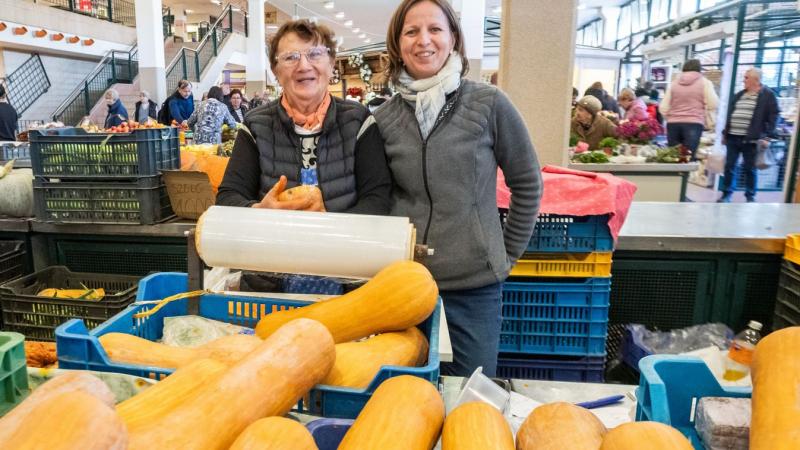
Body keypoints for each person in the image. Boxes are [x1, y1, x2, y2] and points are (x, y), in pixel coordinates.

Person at [370, 0, 542, 377]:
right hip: (404, 287)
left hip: (474, 286)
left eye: (435, 29)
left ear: (453, 38)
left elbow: (527, 184)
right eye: (411, 32)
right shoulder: (383, 118)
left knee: (469, 395)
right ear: (397, 45)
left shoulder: (489, 104)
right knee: (404, 393)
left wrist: (503, 255)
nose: (423, 41)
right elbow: (377, 199)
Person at [216, 19, 391, 215]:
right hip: (277, 242)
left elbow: (378, 198)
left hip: (340, 245)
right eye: (291, 57)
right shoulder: (256, 125)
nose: (304, 66)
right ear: (275, 70)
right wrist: (258, 211)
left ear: (331, 63)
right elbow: (228, 196)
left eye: (315, 54)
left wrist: (331, 226)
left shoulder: (358, 120)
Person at [718, 68, 779, 203]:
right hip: (733, 137)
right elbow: (730, 114)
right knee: (729, 166)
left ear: (756, 80)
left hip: (752, 139)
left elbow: (774, 117)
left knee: (750, 168)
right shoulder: (739, 95)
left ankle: (750, 196)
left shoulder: (768, 95)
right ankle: (726, 194)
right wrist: (725, 134)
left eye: (746, 77)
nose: (743, 80)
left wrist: (768, 137)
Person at [659, 59, 718, 159]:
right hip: (694, 123)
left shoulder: (674, 83)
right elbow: (713, 103)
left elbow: (663, 107)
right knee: (688, 158)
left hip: (673, 125)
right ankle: (685, 175)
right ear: (699, 69)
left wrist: (670, 117)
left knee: (673, 157)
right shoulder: (705, 83)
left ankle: (674, 174)